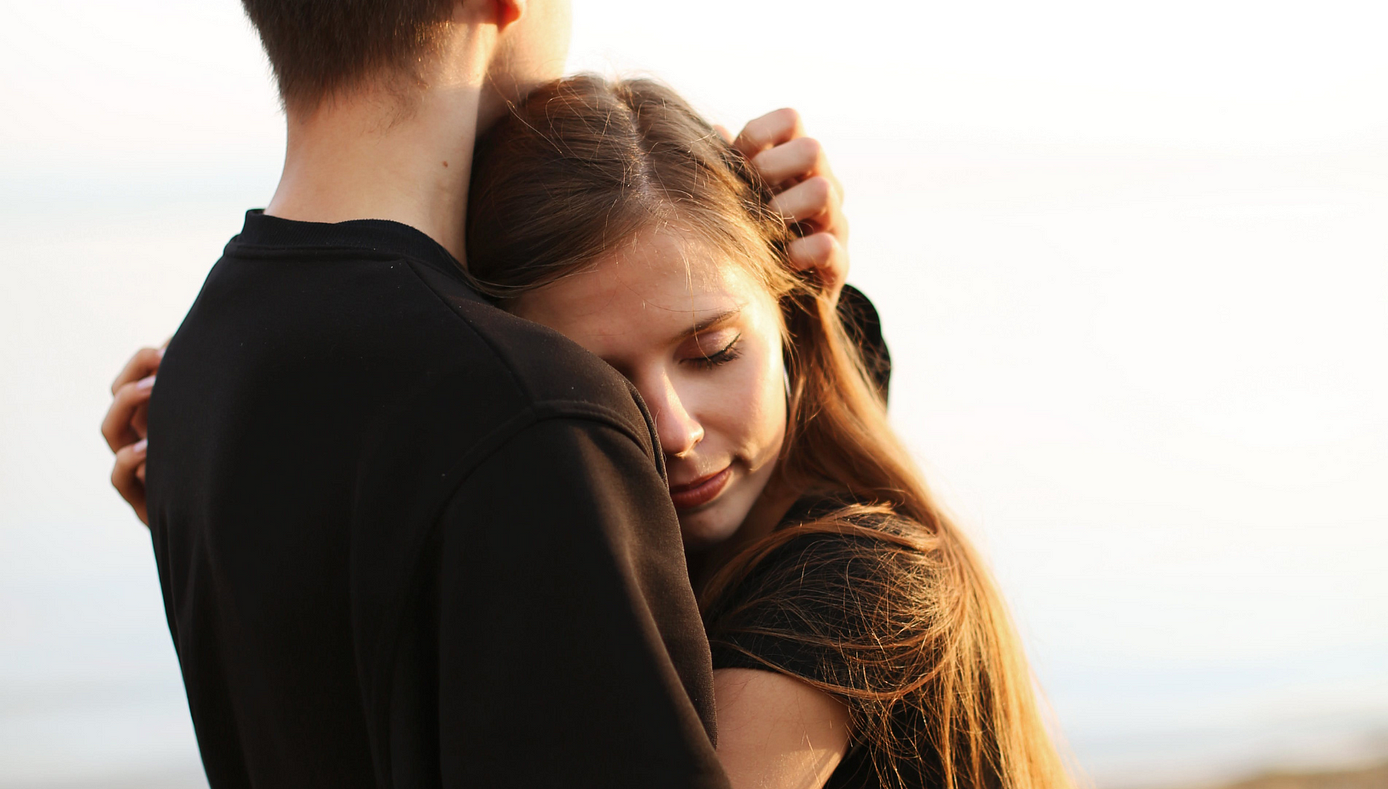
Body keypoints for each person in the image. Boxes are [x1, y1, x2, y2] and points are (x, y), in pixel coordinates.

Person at [107, 73, 1074, 787]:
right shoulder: (626, 549)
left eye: (712, 351)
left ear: (790, 318)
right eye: (596, 381)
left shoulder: (858, 574)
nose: (674, 429)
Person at [95, 2, 842, 787]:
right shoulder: (536, 411)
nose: (672, 429)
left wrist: (808, 320)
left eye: (716, 351)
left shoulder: (196, 378)